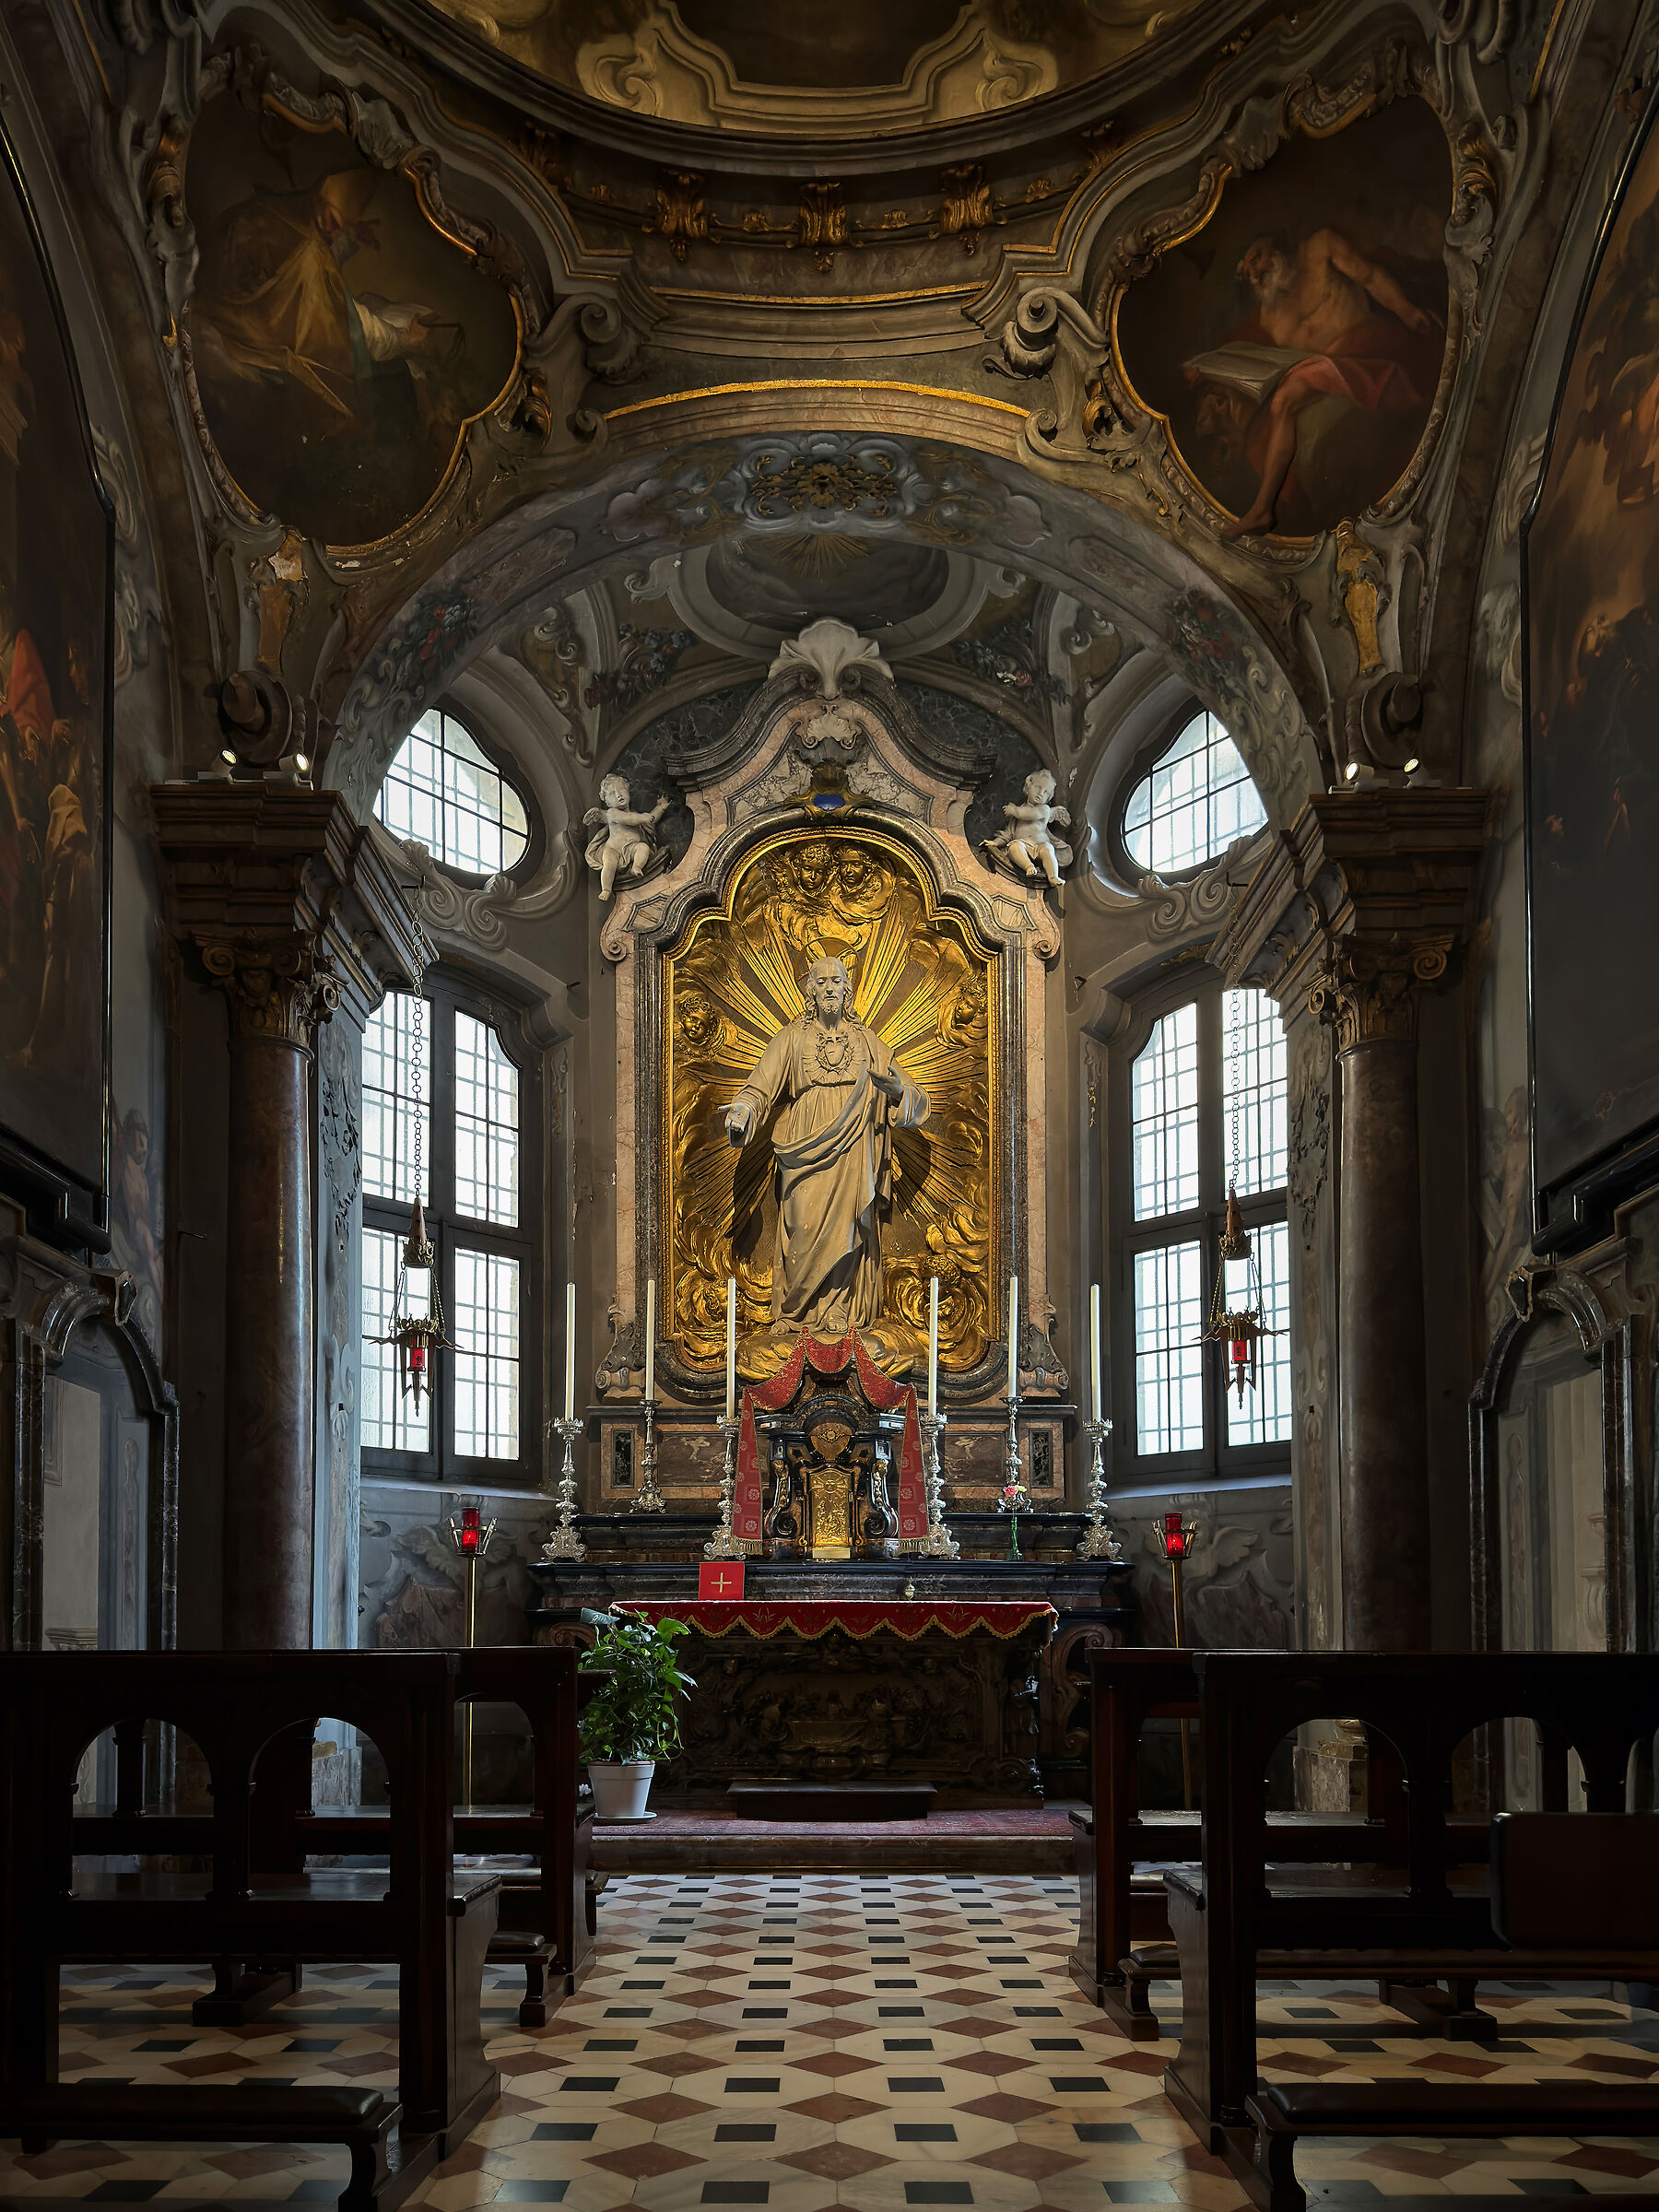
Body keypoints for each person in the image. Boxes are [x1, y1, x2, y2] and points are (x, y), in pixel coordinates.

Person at [723, 955, 928, 1354]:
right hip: (802, 1147)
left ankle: (839, 1309)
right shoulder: (791, 1039)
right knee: (801, 1226)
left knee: (848, 1227)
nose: (830, 988)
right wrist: (744, 1111)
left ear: (847, 990)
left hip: (853, 1145)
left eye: (837, 981)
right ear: (810, 991)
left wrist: (898, 1093)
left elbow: (919, 1098)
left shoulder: (867, 1041)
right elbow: (760, 1087)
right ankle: (796, 1312)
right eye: (822, 981)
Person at [1193, 228, 1443, 537]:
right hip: (1333, 369)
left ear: (1272, 243)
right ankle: (1265, 509)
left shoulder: (1320, 248)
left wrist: (1407, 311)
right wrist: (1205, 369)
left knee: (1289, 393)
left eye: (1255, 259)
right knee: (1277, 411)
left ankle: (1261, 510)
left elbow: (1370, 277)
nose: (1255, 274)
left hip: (1372, 341)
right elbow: (1245, 352)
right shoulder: (1270, 319)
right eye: (1247, 274)